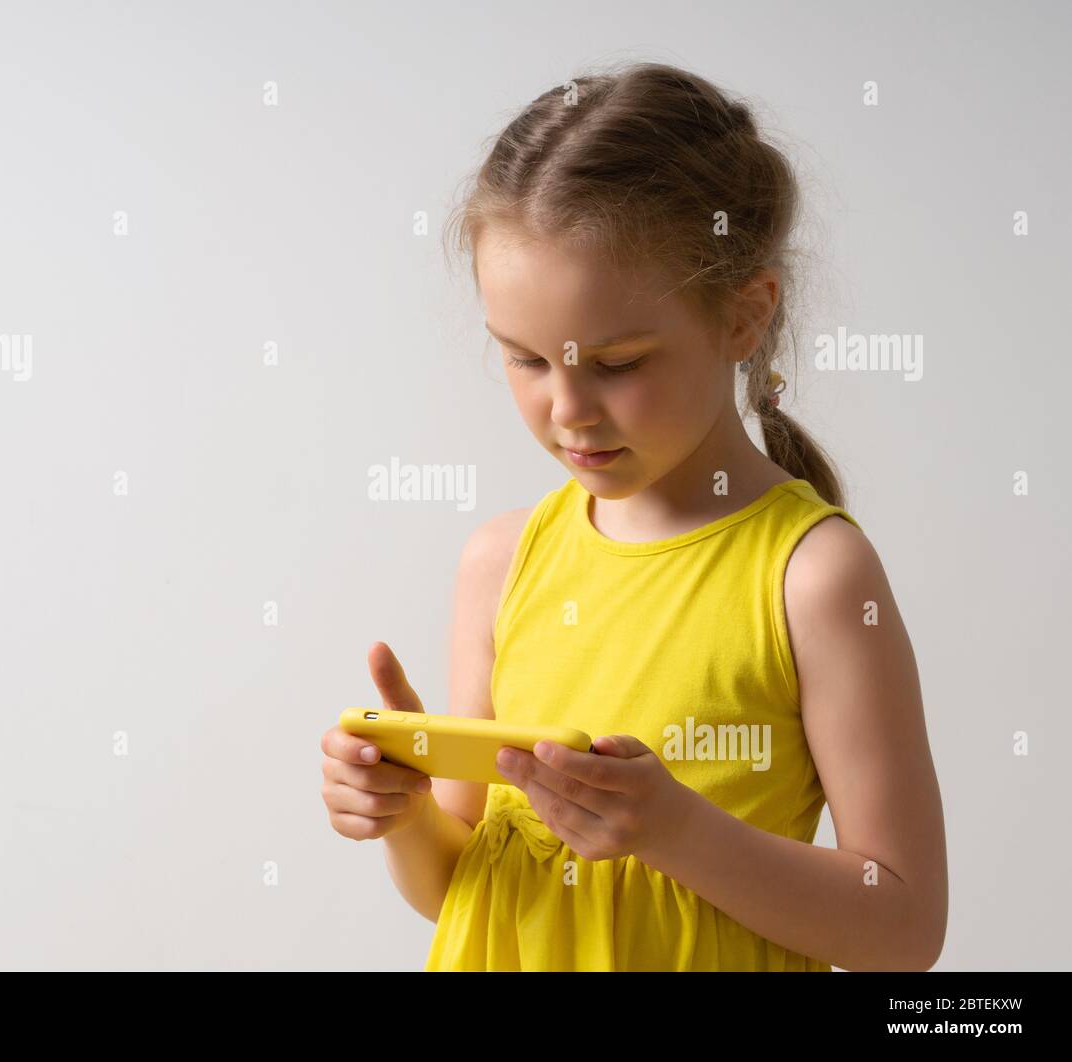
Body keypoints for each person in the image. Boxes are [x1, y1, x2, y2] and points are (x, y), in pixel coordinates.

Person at [319, 61, 947, 971]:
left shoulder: (812, 577)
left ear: (743, 318)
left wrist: (674, 831)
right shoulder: (500, 563)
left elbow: (905, 929)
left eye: (614, 363)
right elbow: (462, 890)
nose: (567, 408)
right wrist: (403, 816)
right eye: (526, 359)